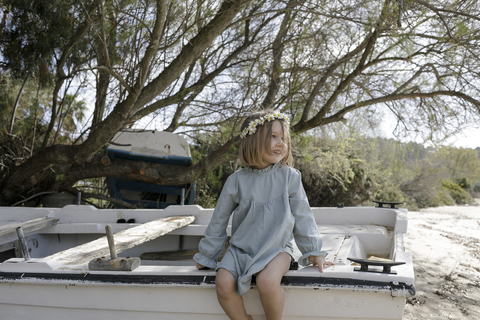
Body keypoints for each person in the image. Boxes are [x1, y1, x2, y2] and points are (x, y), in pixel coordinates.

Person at [193, 110, 335, 320]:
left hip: (277, 249)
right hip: (241, 249)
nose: (280, 143)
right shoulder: (236, 181)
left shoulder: (289, 177)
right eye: (273, 137)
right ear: (252, 141)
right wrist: (207, 256)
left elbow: (303, 215)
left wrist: (313, 251)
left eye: (283, 138)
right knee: (222, 283)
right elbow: (218, 221)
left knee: (267, 283)